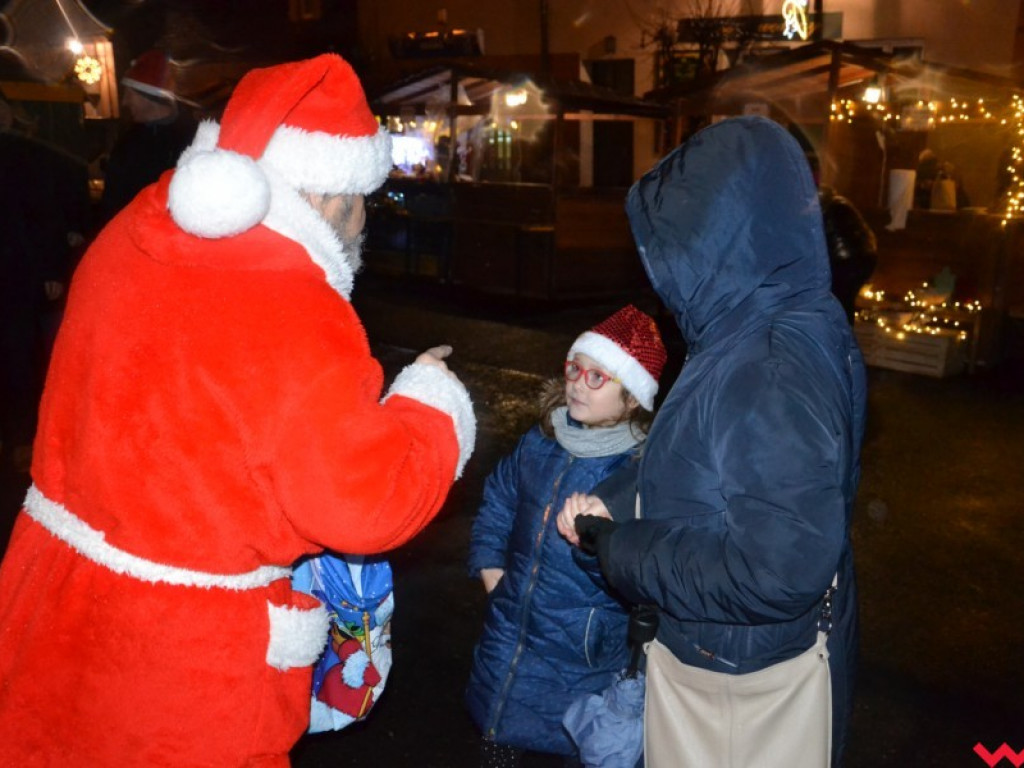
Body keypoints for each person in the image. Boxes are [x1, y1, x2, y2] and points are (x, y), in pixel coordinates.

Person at [0, 53, 476, 767]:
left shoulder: (139, 229)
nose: (362, 222)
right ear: (327, 193)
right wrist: (430, 406)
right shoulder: (294, 307)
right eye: (361, 200)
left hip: (51, 599)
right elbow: (362, 503)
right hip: (181, 665)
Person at [558, 117, 866, 768]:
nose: (660, 269)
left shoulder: (769, 364)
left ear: (718, 237)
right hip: (728, 661)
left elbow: (776, 570)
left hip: (736, 691)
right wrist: (621, 496)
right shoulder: (757, 323)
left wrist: (623, 549)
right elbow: (715, 465)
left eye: (673, 245)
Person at [465, 305, 667, 767]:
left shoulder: (633, 476)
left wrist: (592, 547)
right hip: (510, 632)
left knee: (564, 749)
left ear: (632, 398)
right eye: (575, 367)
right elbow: (499, 498)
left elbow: (633, 574)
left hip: (581, 656)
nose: (577, 382)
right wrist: (490, 566)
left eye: (598, 377)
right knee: (498, 734)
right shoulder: (541, 441)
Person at [0, 98, 89, 472]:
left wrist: (52, 270)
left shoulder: (25, 156)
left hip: (16, 272)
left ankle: (21, 436)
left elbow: (44, 213)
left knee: (19, 355)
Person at [97, 48, 197, 224]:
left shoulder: (194, 140)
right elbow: (112, 206)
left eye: (130, 93)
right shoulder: (127, 143)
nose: (125, 102)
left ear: (149, 96)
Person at [819, 185, 878, 324]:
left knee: (837, 306)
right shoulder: (838, 202)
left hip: (843, 262)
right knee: (843, 305)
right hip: (863, 257)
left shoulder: (815, 208)